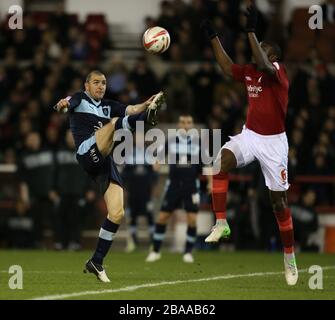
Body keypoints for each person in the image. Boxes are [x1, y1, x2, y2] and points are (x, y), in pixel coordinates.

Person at [201, 1, 298, 285]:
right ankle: (221, 222)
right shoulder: (250, 72)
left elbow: (264, 61)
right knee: (220, 161)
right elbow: (227, 67)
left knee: (278, 202)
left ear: (274, 55)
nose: (258, 52)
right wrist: (213, 37)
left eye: (263, 49)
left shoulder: (277, 72)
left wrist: (251, 31)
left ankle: (289, 257)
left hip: (274, 145)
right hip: (251, 135)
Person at [56, 70, 164, 282]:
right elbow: (69, 101)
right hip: (87, 152)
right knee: (116, 123)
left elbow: (130, 108)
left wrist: (146, 104)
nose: (100, 86)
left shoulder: (108, 105)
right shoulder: (80, 98)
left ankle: (96, 261)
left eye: (104, 83)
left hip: (104, 160)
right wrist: (63, 104)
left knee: (117, 212)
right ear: (86, 85)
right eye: (96, 82)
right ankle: (146, 119)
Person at [146, 114, 208, 263]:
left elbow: (207, 165)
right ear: (179, 125)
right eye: (182, 122)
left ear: (192, 125)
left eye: (188, 122)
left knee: (192, 219)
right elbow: (159, 155)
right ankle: (155, 251)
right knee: (162, 217)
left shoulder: (199, 143)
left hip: (191, 185)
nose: (185, 125)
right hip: (173, 184)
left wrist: (211, 183)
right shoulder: (171, 140)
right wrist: (157, 162)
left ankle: (188, 252)